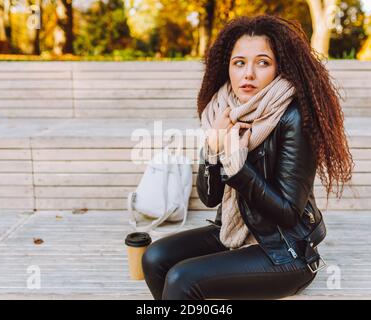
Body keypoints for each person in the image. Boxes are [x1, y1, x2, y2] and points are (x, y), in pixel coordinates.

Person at [142, 14, 353, 300]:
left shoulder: (294, 117)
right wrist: (215, 150)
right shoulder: (222, 110)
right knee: (155, 257)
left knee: (183, 278)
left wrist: (237, 166)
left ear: (281, 68)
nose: (248, 74)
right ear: (227, 67)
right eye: (239, 63)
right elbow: (210, 198)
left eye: (262, 62)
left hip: (284, 249)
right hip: (234, 231)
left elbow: (288, 212)